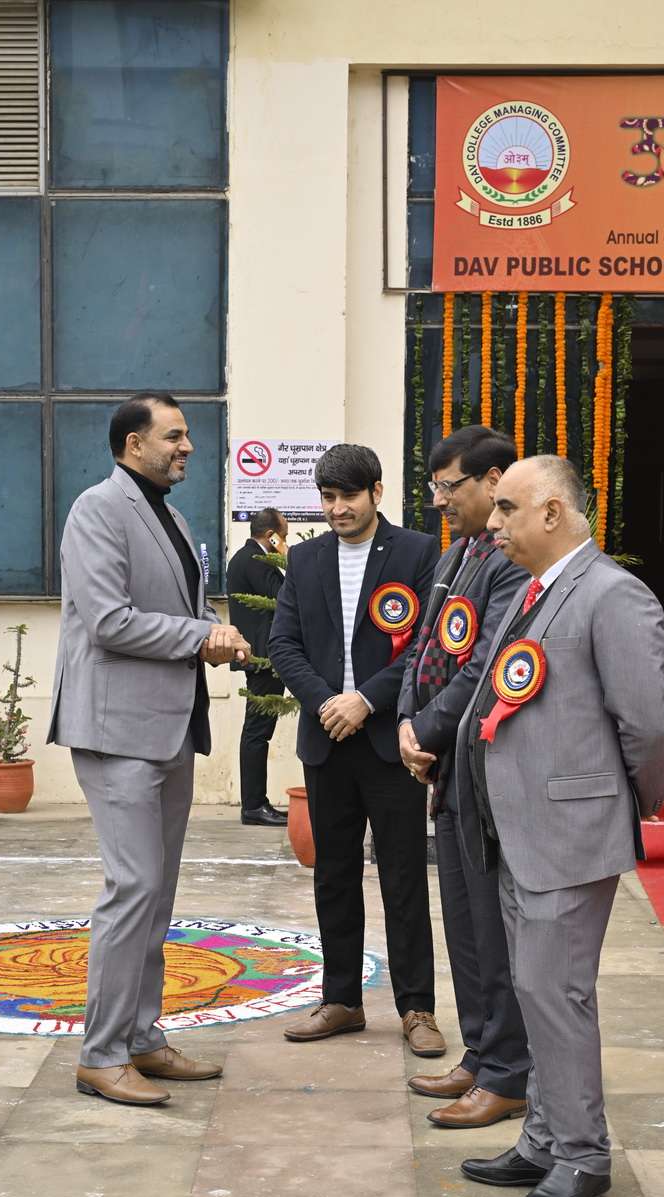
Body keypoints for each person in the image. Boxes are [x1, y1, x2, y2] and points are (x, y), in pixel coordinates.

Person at [457, 455, 664, 1197]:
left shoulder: (612, 595)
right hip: (520, 829)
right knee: (536, 991)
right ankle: (543, 1138)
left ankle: (583, 1155)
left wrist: (624, 802)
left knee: (558, 994)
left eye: (507, 508)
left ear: (552, 512)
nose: (493, 522)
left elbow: (651, 726)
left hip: (569, 832)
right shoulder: (537, 589)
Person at [48, 394, 251, 1107]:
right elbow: (108, 621)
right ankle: (101, 1055)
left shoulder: (169, 515)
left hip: (169, 726)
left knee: (156, 893)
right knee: (132, 887)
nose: (187, 446)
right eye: (174, 435)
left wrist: (216, 632)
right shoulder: (97, 510)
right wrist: (199, 636)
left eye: (186, 435)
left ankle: (141, 1037)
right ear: (134, 444)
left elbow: (182, 610)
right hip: (117, 731)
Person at [269, 443, 444, 1055]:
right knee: (334, 876)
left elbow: (427, 644)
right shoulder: (305, 558)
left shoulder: (418, 552)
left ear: (376, 493)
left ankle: (417, 1008)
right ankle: (341, 1000)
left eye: (348, 495)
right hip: (327, 740)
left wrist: (366, 700)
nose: (337, 508)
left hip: (390, 742)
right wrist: (329, 703)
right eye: (328, 497)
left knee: (404, 877)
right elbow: (283, 643)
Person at [397, 426, 531, 1127]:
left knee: (492, 927)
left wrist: (425, 729)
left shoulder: (510, 560)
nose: (439, 500)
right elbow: (425, 646)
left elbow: (484, 667)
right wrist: (405, 721)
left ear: (494, 480)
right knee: (464, 925)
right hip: (445, 769)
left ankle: (508, 1072)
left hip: (482, 771)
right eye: (435, 488)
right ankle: (480, 1054)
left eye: (450, 486)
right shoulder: (457, 554)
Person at [227, 507, 290, 826]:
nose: (284, 541)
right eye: (283, 536)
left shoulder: (248, 558)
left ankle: (255, 803)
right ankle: (253, 805)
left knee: (257, 731)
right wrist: (287, 556)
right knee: (257, 732)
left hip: (262, 656)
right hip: (263, 659)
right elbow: (284, 595)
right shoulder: (254, 559)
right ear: (271, 536)